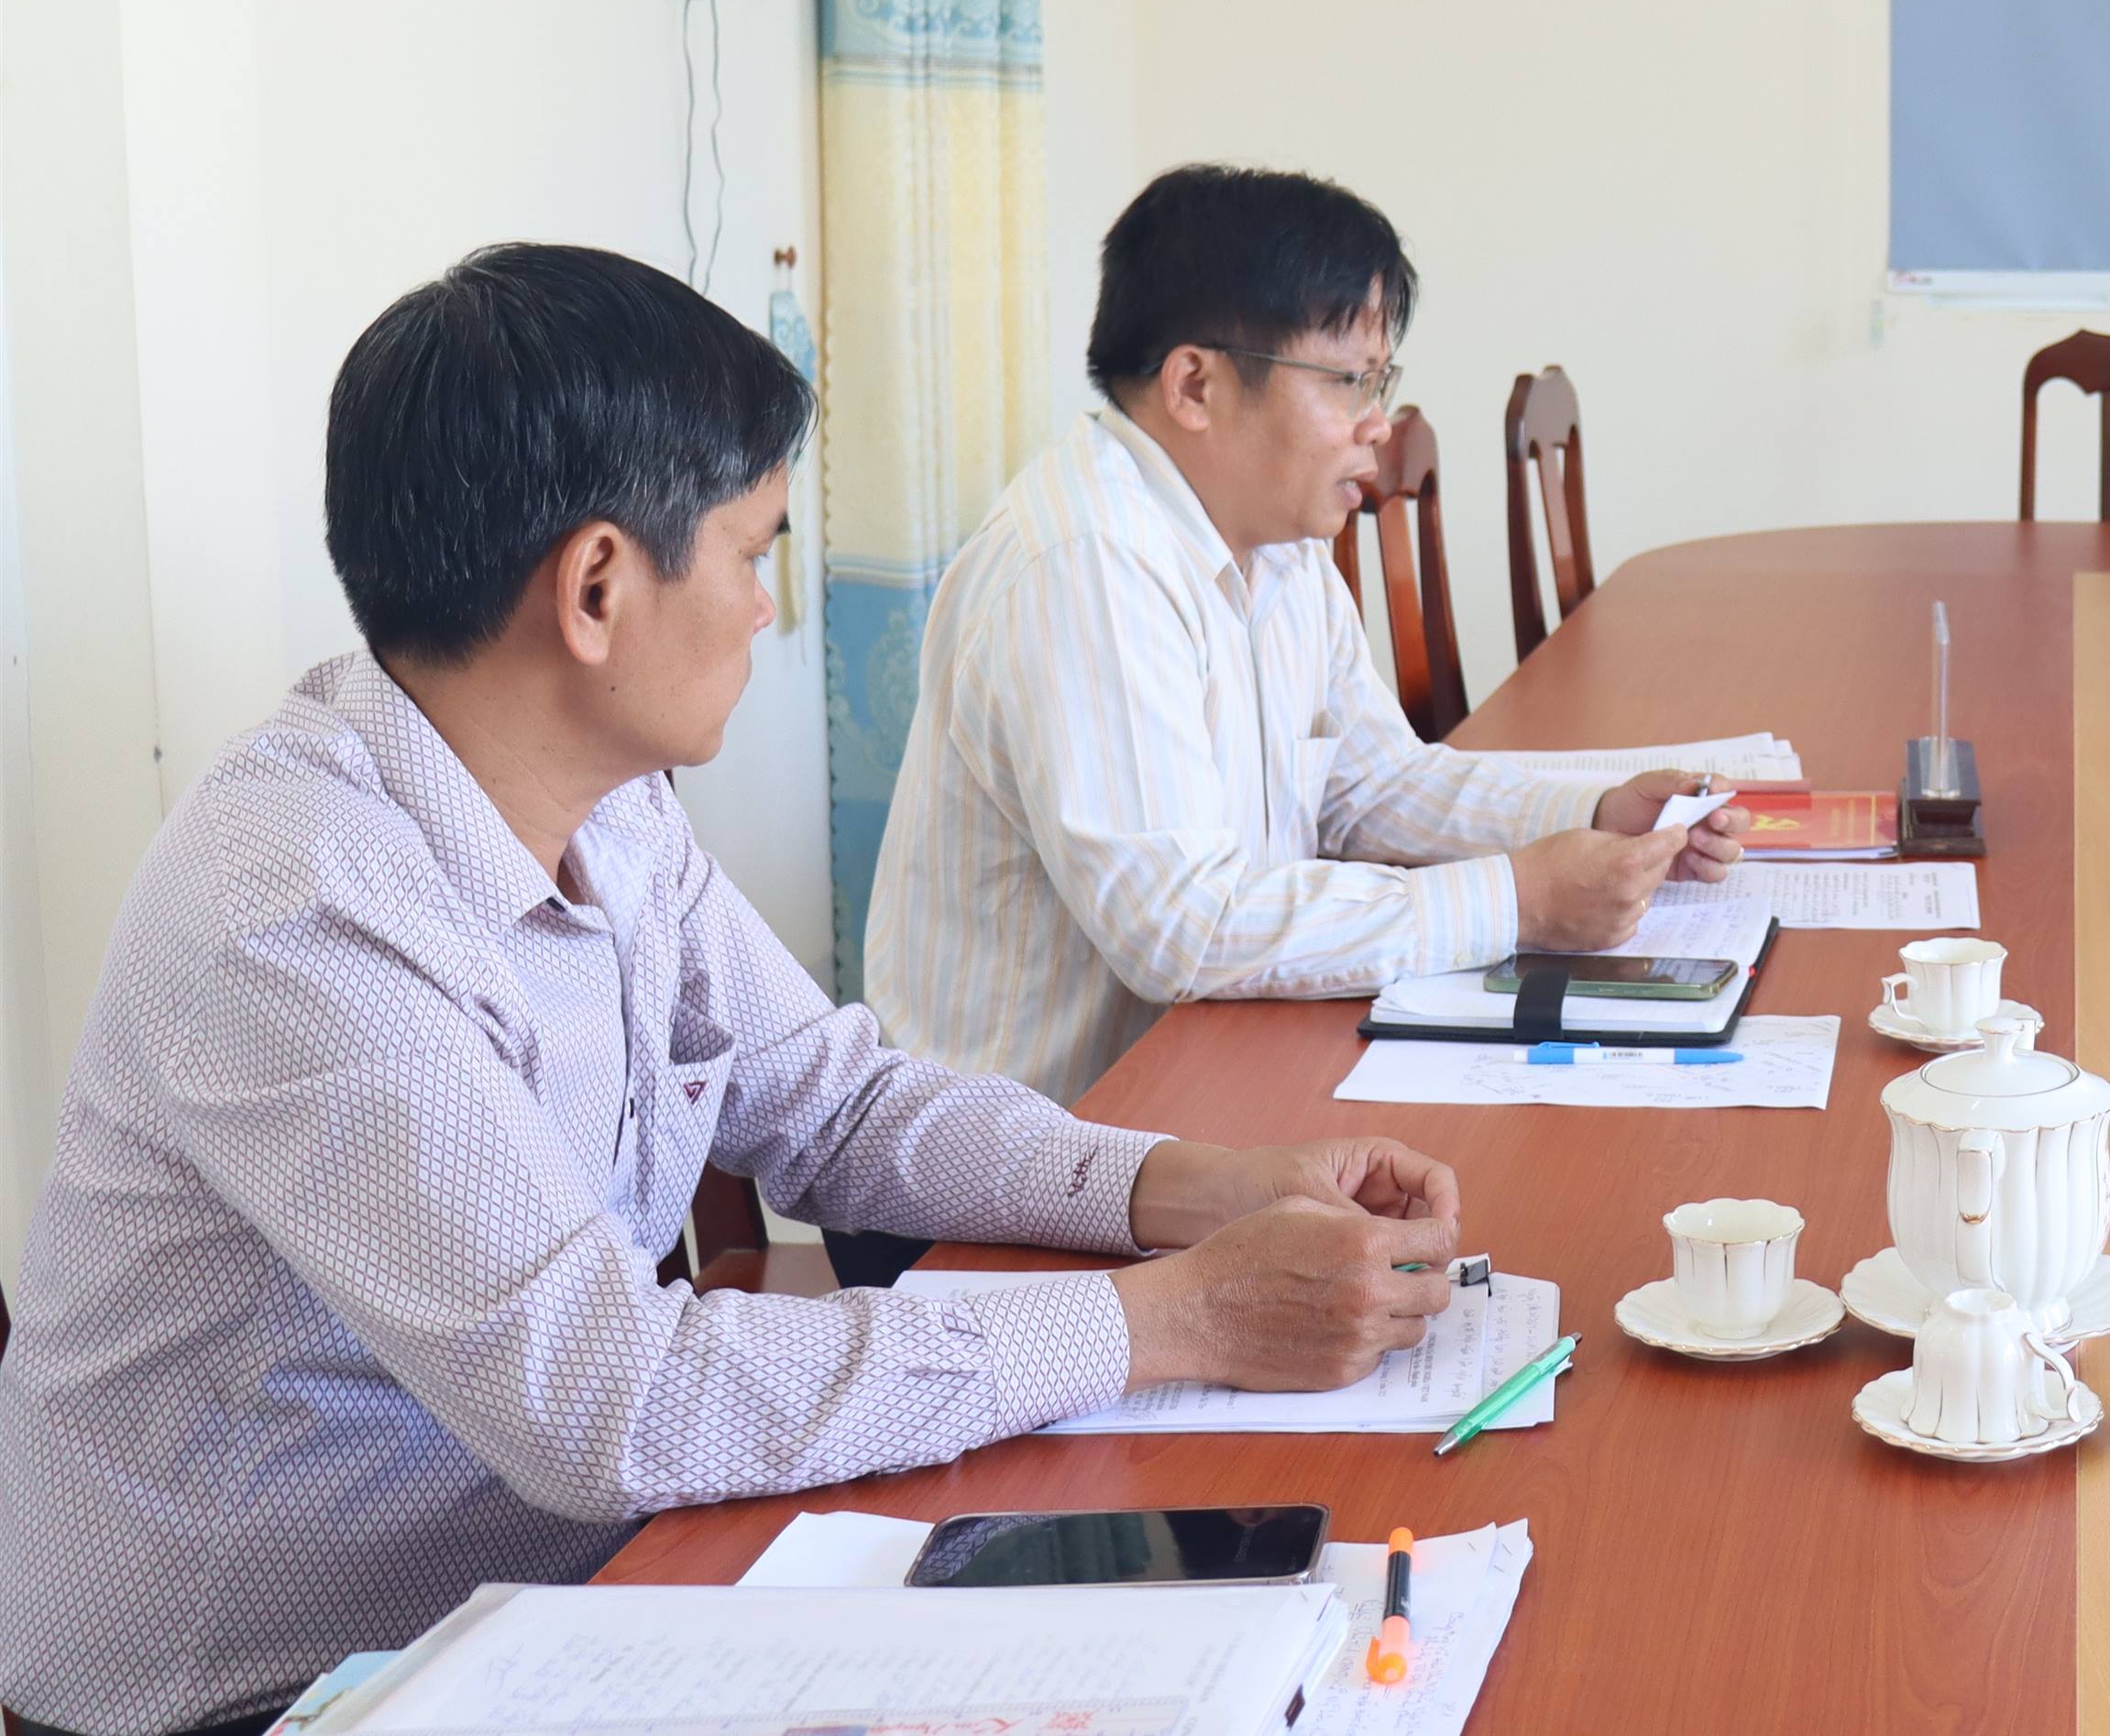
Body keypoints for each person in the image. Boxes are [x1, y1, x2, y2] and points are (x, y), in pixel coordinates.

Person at [0, 247, 1467, 1736]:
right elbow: (615, 1399)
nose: (767, 610)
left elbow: (838, 1104)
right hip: (272, 1693)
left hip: (565, 1596)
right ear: (597, 587)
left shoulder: (611, 805)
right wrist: (1179, 1319)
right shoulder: (301, 910)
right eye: (753, 554)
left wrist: (1199, 1186)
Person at [860, 165, 1742, 1156]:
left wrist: (1592, 814)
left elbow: (1371, 786)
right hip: (1005, 1164)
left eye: (1381, 380)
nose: (1379, 421)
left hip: (1193, 1093)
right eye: (1348, 380)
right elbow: (1184, 930)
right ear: (1195, 385)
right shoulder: (1085, 563)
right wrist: (1522, 898)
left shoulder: (1274, 542)